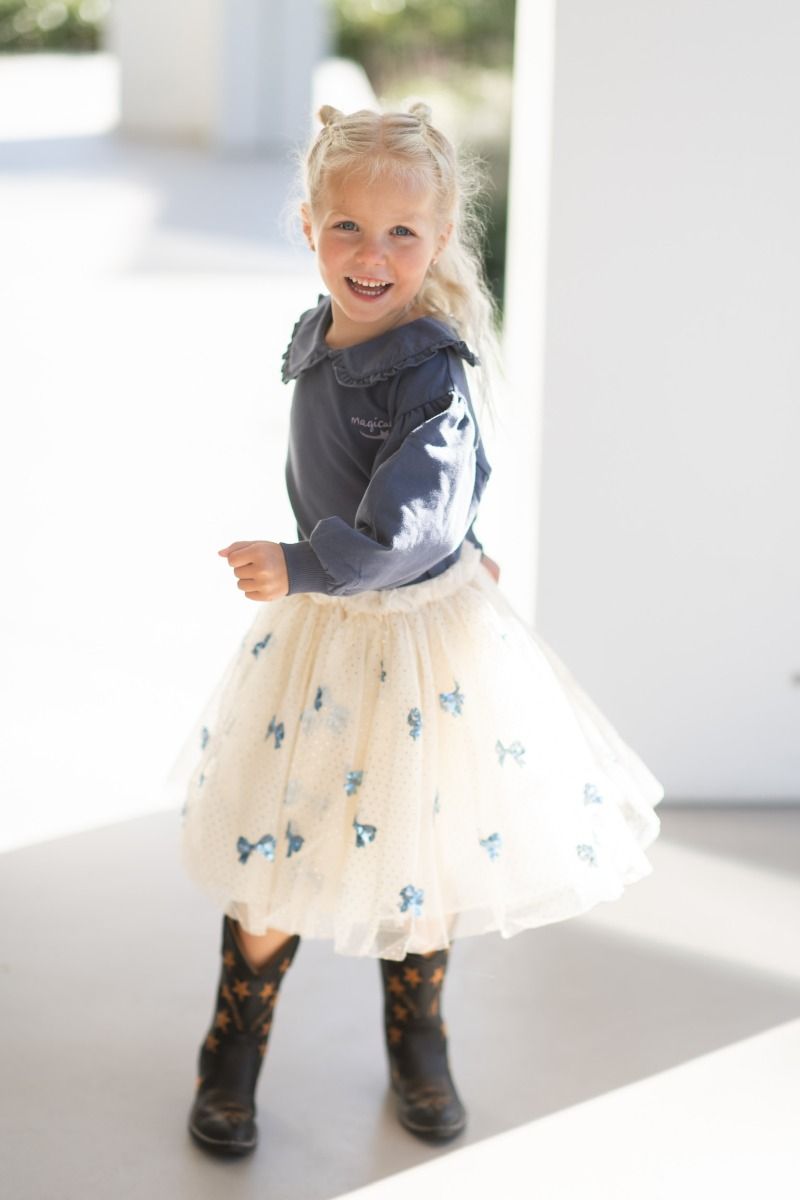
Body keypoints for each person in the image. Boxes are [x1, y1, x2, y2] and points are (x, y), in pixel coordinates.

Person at [173, 101, 665, 1158]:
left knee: (419, 843)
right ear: (308, 226)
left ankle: (419, 1038)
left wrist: (311, 563)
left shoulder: (430, 369)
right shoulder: (322, 333)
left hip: (406, 638)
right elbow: (408, 480)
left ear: (438, 239)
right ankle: (233, 1042)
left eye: (402, 232)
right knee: (280, 836)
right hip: (326, 637)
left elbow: (415, 516)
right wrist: (442, 541)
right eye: (347, 227)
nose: (373, 255)